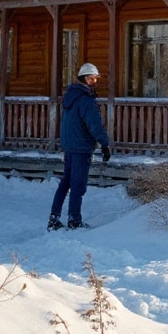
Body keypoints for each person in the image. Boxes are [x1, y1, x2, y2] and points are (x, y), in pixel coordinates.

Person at [49, 62, 112, 230]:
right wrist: (105, 144)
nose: (94, 82)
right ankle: (74, 220)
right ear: (84, 80)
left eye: (95, 79)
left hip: (70, 146)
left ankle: (54, 218)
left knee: (66, 182)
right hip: (81, 147)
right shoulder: (86, 100)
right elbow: (95, 125)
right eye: (91, 79)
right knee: (78, 185)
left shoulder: (71, 97)